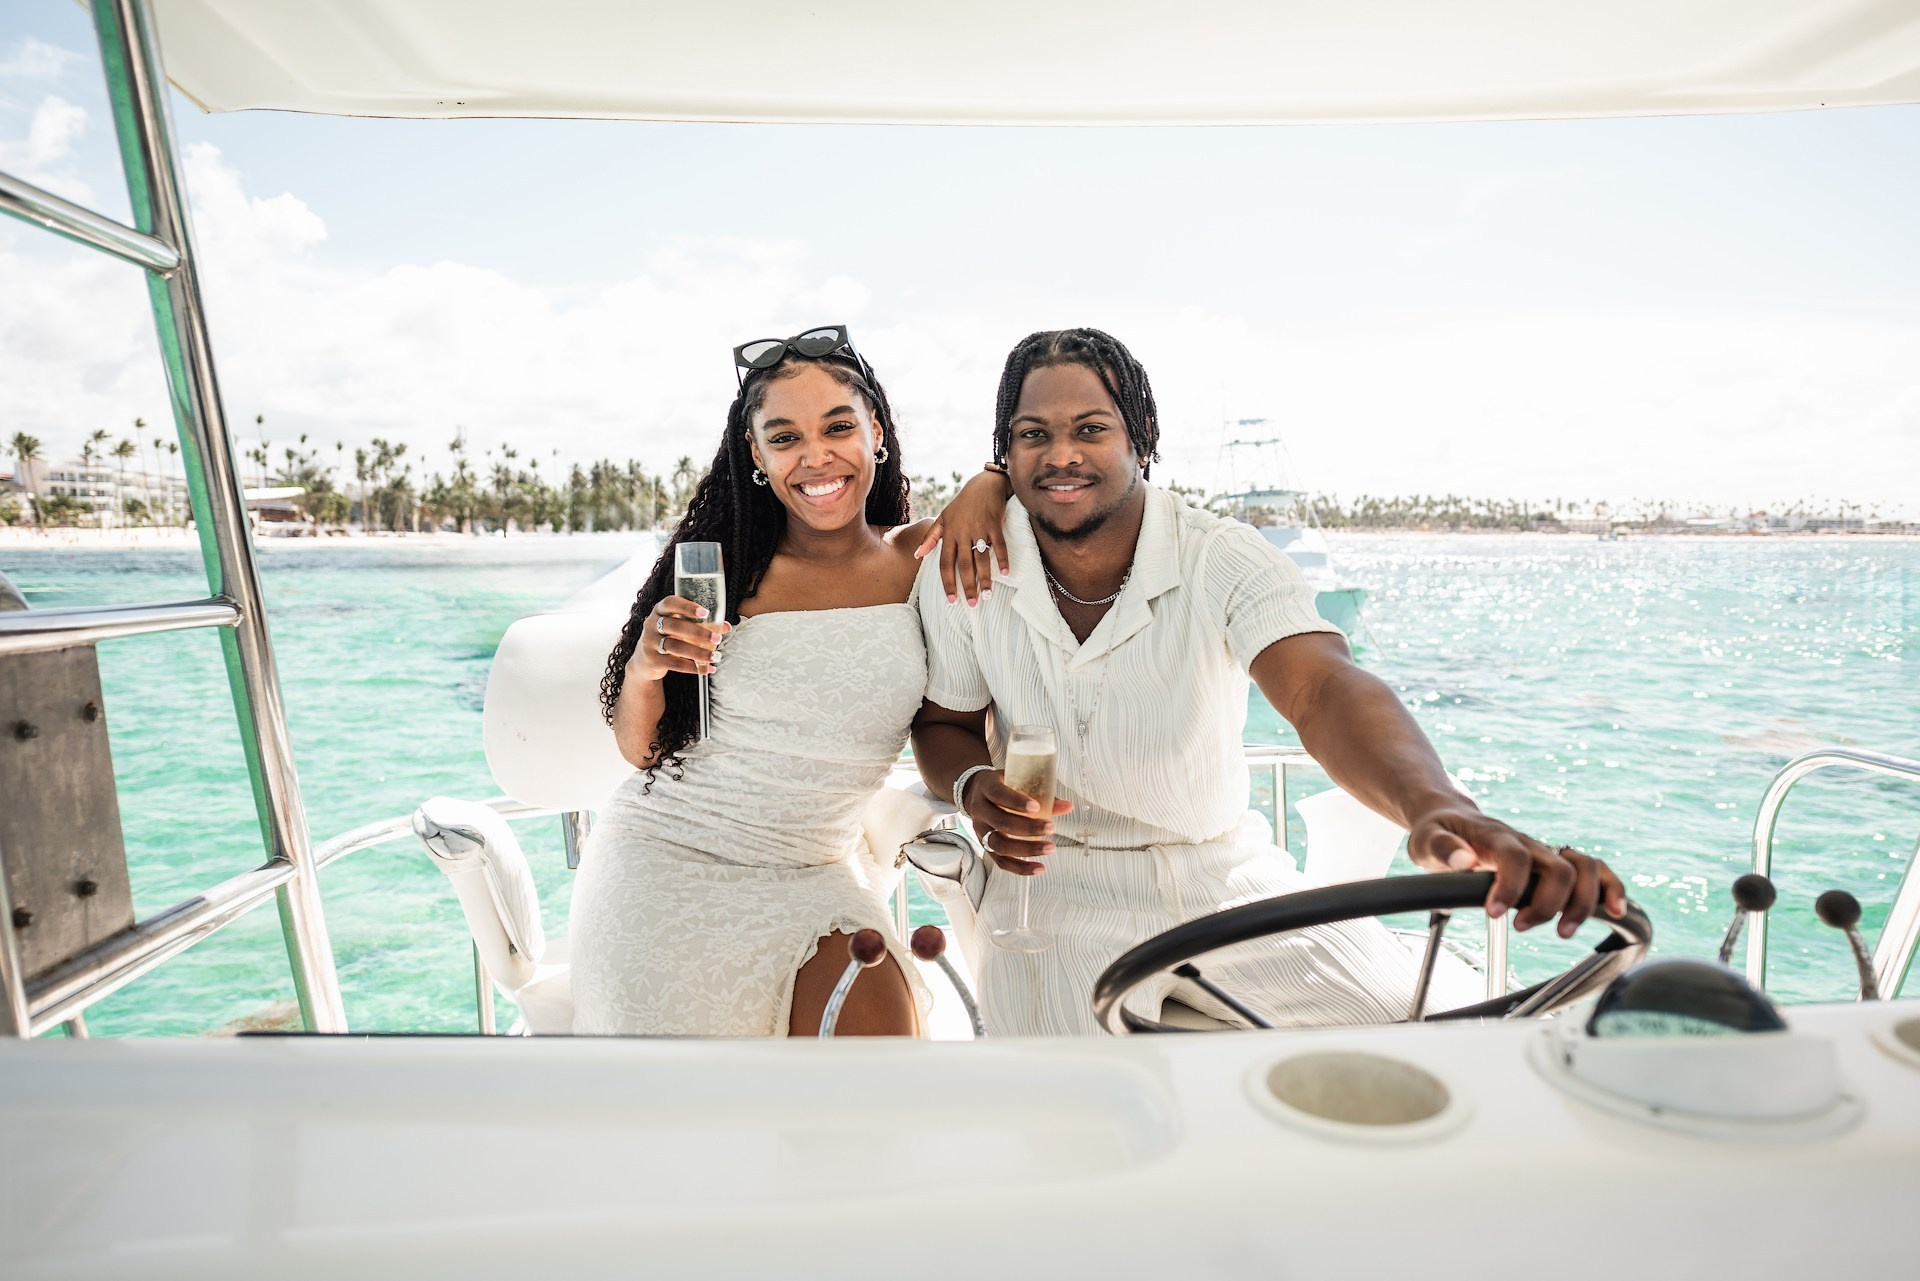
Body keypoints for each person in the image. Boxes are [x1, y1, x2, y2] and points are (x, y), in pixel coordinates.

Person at [911, 328, 1626, 1035]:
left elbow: (1321, 690)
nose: (1061, 455)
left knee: (1428, 1036)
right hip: (1050, 889)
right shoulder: (970, 563)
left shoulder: (1219, 555)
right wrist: (975, 785)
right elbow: (943, 722)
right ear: (1005, 452)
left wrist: (1433, 805)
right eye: (1033, 434)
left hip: (1223, 876)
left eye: (1091, 429)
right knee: (1066, 1112)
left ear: (1143, 436)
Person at [570, 326, 1008, 1037]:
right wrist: (650, 663)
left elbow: (1043, 484)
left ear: (877, 432)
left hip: (813, 870)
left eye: (839, 427)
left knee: (880, 1061)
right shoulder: (725, 570)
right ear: (757, 456)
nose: (816, 457)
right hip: (666, 862)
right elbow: (644, 751)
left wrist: (990, 480)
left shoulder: (919, 559)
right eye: (785, 438)